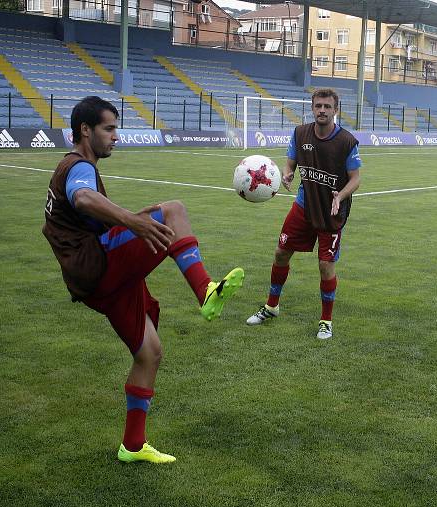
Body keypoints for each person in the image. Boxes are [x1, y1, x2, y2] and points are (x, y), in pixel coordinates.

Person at [42, 96, 244, 464]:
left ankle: (132, 446)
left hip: (96, 281)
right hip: (97, 266)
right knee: (173, 211)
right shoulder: (77, 166)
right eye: (109, 128)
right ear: (85, 130)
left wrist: (130, 220)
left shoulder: (77, 165)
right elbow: (83, 198)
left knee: (149, 353)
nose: (116, 136)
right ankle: (205, 291)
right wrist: (132, 221)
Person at [245, 88, 362, 340]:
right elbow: (291, 161)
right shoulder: (300, 133)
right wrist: (287, 172)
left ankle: (326, 321)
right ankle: (271, 306)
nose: (322, 110)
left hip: (331, 211)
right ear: (312, 108)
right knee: (281, 252)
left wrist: (340, 196)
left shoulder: (347, 142)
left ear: (335, 110)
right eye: (318, 105)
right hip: (303, 204)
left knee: (325, 266)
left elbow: (356, 179)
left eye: (327, 107)